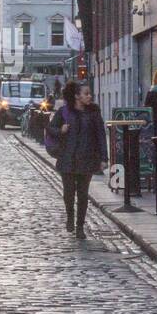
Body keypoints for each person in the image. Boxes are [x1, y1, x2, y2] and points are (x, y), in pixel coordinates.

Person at [48, 81, 107, 240]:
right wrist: (61, 130)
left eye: (89, 93)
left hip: (87, 159)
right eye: (86, 93)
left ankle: (80, 226)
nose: (89, 96)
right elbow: (50, 129)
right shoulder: (64, 112)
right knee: (68, 193)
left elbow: (101, 135)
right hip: (67, 159)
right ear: (76, 96)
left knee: (83, 195)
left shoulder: (94, 113)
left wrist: (103, 158)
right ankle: (70, 217)